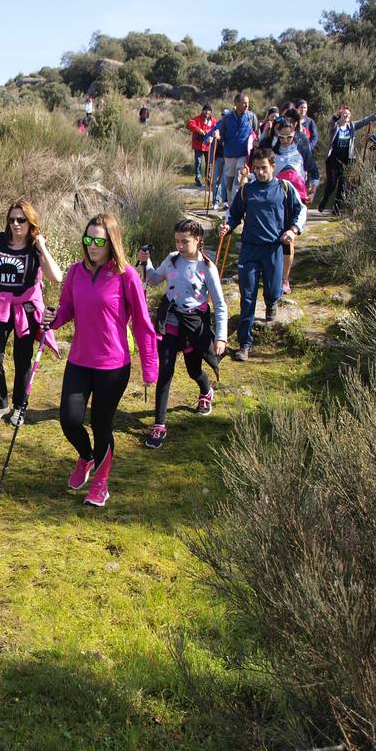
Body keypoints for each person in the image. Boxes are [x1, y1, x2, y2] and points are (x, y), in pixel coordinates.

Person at [44, 213, 156, 507]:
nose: (92, 246)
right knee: (69, 420)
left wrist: (150, 367)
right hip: (80, 359)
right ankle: (86, 456)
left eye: (99, 241)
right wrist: (53, 320)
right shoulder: (74, 272)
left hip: (113, 365)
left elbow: (143, 323)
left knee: (101, 424)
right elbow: (68, 308)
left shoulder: (126, 275)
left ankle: (101, 483)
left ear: (112, 243)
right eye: (88, 239)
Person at [0, 199, 62, 426]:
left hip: (26, 307)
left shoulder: (34, 246)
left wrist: (42, 248)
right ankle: (0, 404)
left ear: (30, 222)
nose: (16, 224)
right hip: (0, 305)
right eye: (12, 219)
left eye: (22, 219)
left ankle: (20, 407)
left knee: (22, 359)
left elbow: (56, 277)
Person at [137, 220, 227, 448]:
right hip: (170, 323)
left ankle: (206, 391)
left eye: (185, 241)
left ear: (198, 239)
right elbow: (154, 279)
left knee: (193, 370)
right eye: (177, 241)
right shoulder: (172, 259)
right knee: (165, 372)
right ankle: (159, 424)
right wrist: (145, 263)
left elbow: (220, 304)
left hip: (194, 326)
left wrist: (221, 337)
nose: (180, 246)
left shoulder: (207, 267)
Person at [220, 147, 305, 362]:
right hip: (249, 248)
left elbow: (300, 210)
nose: (260, 172)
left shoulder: (284, 188)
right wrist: (227, 227)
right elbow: (234, 215)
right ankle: (244, 345)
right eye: (256, 168)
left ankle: (272, 301)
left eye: (264, 168)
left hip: (274, 248)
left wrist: (292, 230)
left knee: (273, 287)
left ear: (273, 167)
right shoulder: (247, 190)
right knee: (247, 296)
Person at [259, 112, 320, 294]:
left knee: (288, 239)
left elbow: (314, 172)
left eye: (289, 137)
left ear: (295, 134)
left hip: (296, 200)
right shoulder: (271, 151)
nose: (285, 140)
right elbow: (259, 164)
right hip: (274, 200)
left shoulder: (302, 149)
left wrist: (312, 190)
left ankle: (285, 279)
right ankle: (271, 272)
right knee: (273, 238)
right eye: (282, 137)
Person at [317, 105, 376, 214]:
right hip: (333, 159)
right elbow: (331, 123)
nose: (347, 115)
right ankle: (324, 199)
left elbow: (365, 121)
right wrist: (335, 116)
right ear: (340, 115)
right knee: (331, 184)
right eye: (345, 113)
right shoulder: (334, 126)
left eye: (349, 114)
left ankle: (336, 209)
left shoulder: (352, 126)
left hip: (347, 160)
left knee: (343, 185)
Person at [201, 93, 259, 205]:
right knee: (229, 182)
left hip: (244, 155)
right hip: (229, 155)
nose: (247, 105)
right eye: (244, 103)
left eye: (248, 103)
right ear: (236, 103)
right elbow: (221, 135)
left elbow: (256, 134)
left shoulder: (251, 117)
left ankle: (236, 207)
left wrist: (256, 144)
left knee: (239, 180)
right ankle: (231, 205)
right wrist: (218, 137)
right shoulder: (227, 119)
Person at [186, 103, 216, 188]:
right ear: (203, 111)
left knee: (208, 163)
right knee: (198, 162)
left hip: (208, 146)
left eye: (209, 110)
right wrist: (199, 130)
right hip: (198, 145)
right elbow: (189, 124)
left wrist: (209, 132)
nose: (207, 112)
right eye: (205, 110)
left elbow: (217, 128)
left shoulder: (213, 120)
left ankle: (208, 178)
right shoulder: (197, 119)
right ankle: (198, 178)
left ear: (211, 112)